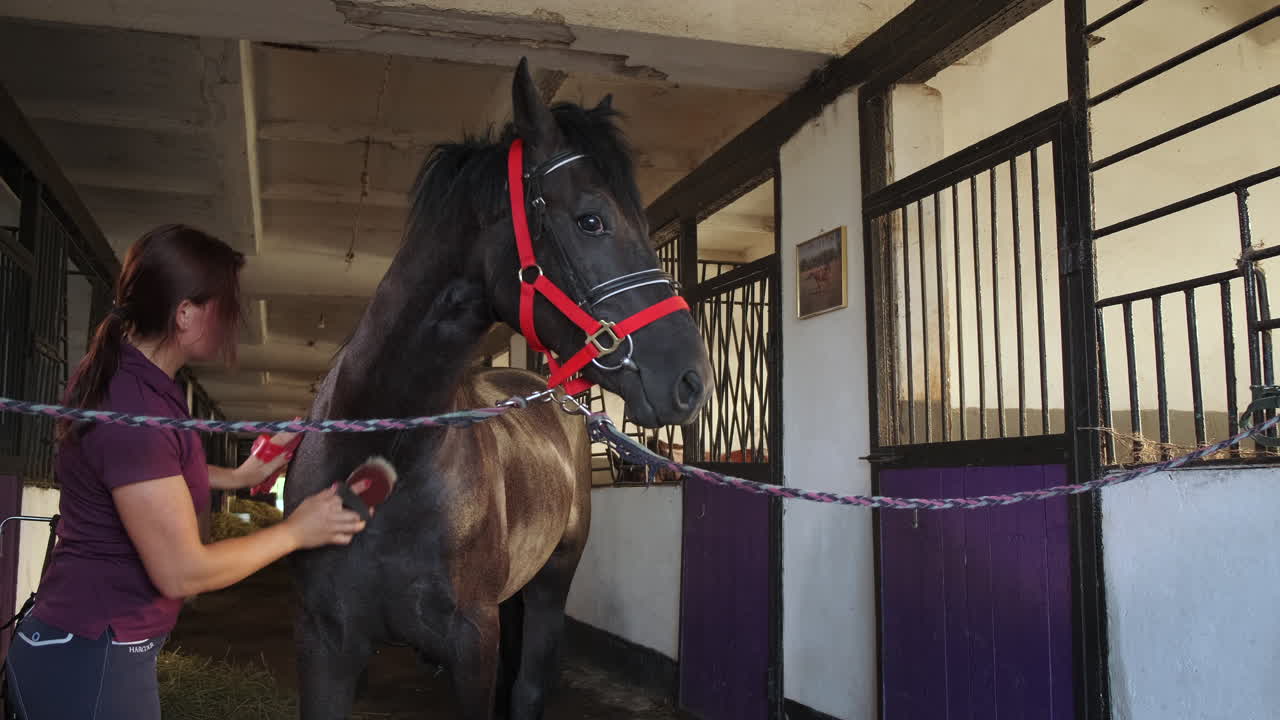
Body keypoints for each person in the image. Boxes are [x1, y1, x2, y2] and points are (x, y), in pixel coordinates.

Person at [2, 224, 367, 719]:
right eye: (226, 307)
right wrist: (296, 532)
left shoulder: (147, 386)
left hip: (101, 650)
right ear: (185, 313)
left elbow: (150, 474)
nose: (234, 322)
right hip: (91, 658)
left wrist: (240, 476)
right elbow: (182, 571)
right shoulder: (131, 404)